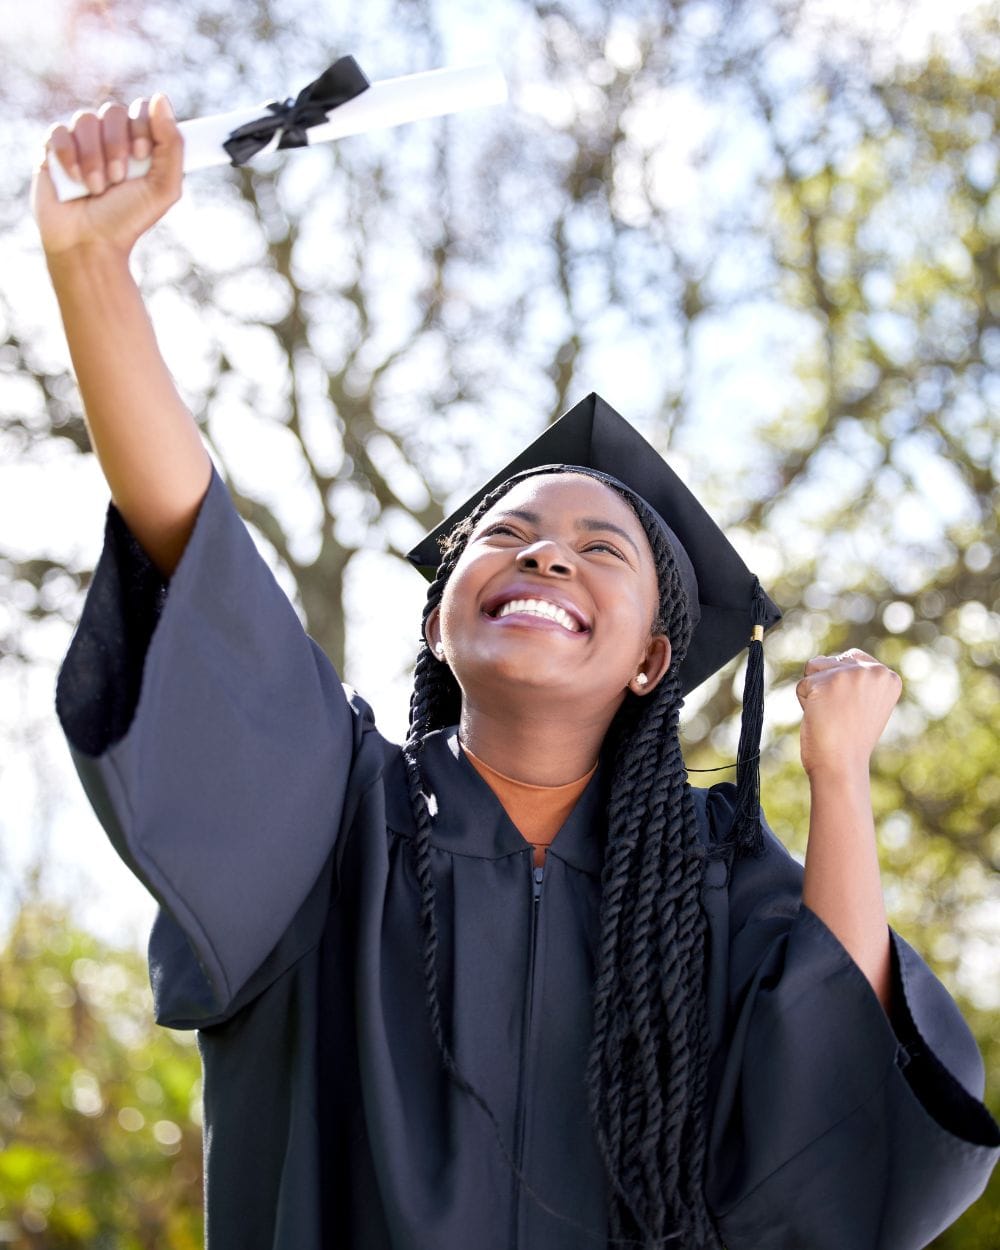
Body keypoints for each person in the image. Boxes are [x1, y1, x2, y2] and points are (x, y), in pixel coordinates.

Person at [33, 97, 999, 1250]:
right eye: (508, 534)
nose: (545, 551)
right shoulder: (339, 823)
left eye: (600, 551)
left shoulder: (702, 882)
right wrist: (92, 268)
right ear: (440, 616)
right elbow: (197, 557)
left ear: (653, 657)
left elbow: (823, 1094)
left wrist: (836, 776)